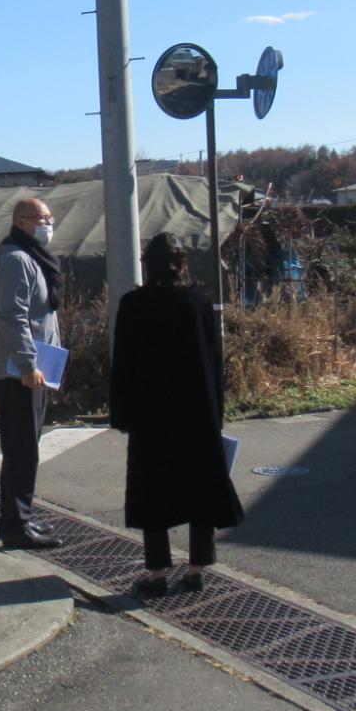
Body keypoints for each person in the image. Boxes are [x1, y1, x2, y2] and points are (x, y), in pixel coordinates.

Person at [108, 231, 244, 596]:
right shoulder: (199, 301)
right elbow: (215, 362)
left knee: (153, 491)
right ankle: (197, 567)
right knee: (200, 487)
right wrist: (217, 412)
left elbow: (122, 365)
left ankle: (155, 573)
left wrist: (121, 414)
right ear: (183, 264)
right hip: (197, 411)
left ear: (147, 265)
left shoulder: (133, 304)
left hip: (151, 415)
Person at [0, 195, 63, 551]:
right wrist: (29, 364)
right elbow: (13, 316)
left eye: (49, 217)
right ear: (22, 221)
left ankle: (18, 518)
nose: (49, 223)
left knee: (25, 448)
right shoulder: (17, 260)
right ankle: (17, 525)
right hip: (19, 372)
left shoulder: (33, 258)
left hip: (34, 370)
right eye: (42, 218)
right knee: (21, 450)